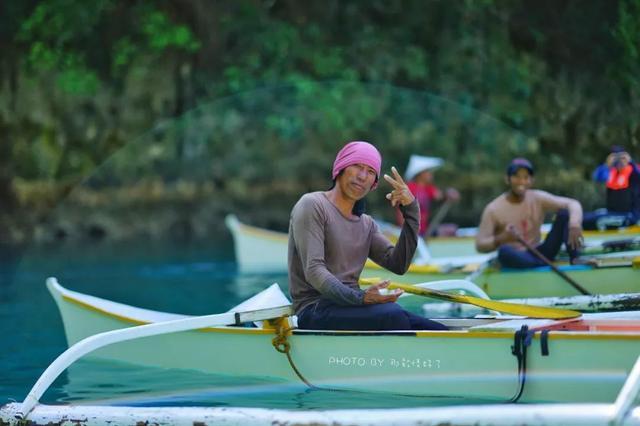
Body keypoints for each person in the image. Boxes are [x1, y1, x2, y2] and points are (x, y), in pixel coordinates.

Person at [288, 141, 447, 331]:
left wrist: (412, 210)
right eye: (357, 166)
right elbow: (314, 271)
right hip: (315, 309)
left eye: (371, 172)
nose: (363, 176)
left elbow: (399, 264)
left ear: (374, 184)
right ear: (341, 168)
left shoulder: (367, 224)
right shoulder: (313, 205)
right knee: (392, 314)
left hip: (352, 308)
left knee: (435, 327)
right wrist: (362, 298)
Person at [475, 158, 586, 269]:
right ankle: (540, 264)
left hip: (540, 252)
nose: (521, 181)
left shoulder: (537, 197)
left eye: (526, 177)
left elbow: (572, 203)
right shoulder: (493, 209)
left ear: (531, 180)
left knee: (565, 214)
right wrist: (503, 238)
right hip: (517, 256)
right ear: (507, 179)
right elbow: (480, 245)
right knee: (504, 252)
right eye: (517, 177)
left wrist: (574, 224)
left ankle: (575, 258)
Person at [396, 155, 460, 236]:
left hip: (424, 231)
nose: (431, 174)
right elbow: (401, 212)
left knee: (452, 229)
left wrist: (449, 193)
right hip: (411, 232)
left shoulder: (428, 188)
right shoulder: (409, 188)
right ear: (421, 173)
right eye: (428, 171)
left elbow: (441, 195)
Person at [583, 146, 640, 230]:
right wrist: (607, 164)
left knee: (593, 220)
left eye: (621, 157)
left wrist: (630, 162)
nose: (619, 161)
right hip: (612, 212)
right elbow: (596, 177)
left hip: (629, 215)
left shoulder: (633, 171)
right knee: (585, 217)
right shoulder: (611, 172)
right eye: (615, 157)